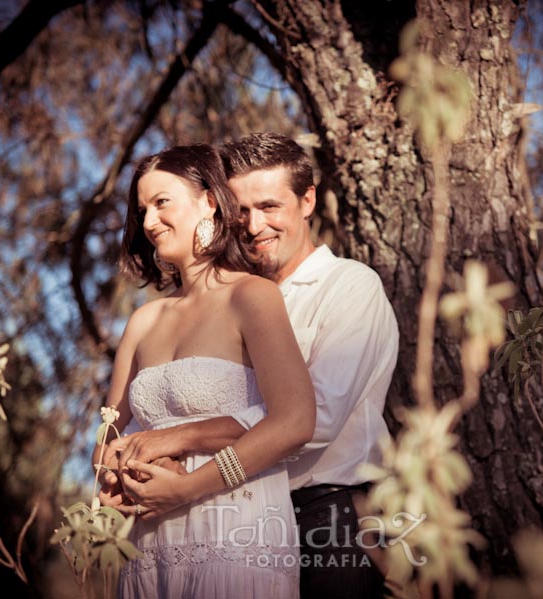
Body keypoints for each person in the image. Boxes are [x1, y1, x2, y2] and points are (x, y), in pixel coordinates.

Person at [104, 133, 399, 599]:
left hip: (332, 514)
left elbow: (312, 418)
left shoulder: (350, 286)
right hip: (217, 507)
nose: (252, 224)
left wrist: (180, 439)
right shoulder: (230, 297)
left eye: (269, 207)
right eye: (241, 210)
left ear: (307, 201)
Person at [95, 143, 315, 599]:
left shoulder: (252, 297)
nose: (150, 223)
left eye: (161, 203)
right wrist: (117, 478)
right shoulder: (142, 322)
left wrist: (187, 483)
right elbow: (106, 443)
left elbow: (295, 422)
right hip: (150, 542)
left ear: (209, 201)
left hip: (236, 527)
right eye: (142, 211)